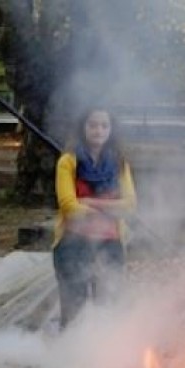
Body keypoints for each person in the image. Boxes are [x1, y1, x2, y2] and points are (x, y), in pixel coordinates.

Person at [52, 107, 137, 328]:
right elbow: (69, 207)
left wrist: (90, 203)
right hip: (73, 246)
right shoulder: (68, 162)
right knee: (74, 312)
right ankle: (70, 356)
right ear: (83, 127)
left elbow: (129, 206)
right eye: (92, 125)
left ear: (111, 130)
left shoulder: (119, 163)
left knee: (108, 308)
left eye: (104, 125)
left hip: (110, 246)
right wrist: (111, 208)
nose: (98, 130)